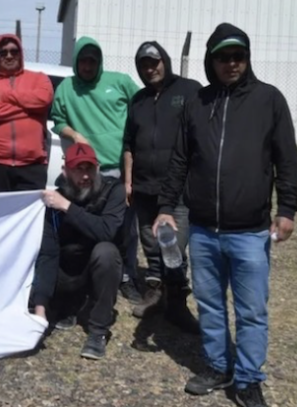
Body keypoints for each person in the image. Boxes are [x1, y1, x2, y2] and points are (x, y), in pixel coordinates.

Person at [154, 23, 297, 407]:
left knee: (251, 311)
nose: (231, 63)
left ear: (247, 58)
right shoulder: (197, 104)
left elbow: (287, 159)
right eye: (223, 56)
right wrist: (166, 208)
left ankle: (249, 379)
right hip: (203, 231)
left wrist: (287, 209)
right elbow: (180, 160)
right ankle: (219, 367)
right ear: (211, 60)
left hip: (250, 233)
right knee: (210, 305)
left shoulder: (269, 100)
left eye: (238, 56)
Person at [51, 36, 142, 304]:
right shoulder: (67, 88)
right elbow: (57, 121)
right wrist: (75, 135)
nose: (88, 66)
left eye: (92, 60)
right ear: (76, 61)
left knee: (127, 227)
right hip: (85, 171)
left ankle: (127, 277)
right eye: (83, 60)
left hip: (119, 168)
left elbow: (143, 107)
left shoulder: (119, 81)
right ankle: (89, 277)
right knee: (84, 225)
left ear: (99, 61)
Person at [122, 41, 201, 333]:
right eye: (143, 64)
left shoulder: (189, 91)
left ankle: (177, 304)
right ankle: (155, 293)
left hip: (178, 191)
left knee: (173, 249)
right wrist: (128, 180)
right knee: (152, 247)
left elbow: (202, 133)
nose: (150, 68)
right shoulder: (139, 100)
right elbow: (128, 143)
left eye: (154, 62)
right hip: (143, 189)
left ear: (165, 61)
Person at [36, 142, 125, 360]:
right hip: (65, 270)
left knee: (107, 253)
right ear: (65, 171)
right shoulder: (53, 201)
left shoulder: (114, 190)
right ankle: (65, 306)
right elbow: (47, 254)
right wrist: (40, 309)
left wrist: (67, 207)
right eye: (78, 169)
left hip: (94, 267)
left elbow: (106, 231)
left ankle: (98, 332)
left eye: (89, 169)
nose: (85, 176)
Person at [0, 34, 54, 192]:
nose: (9, 56)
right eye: (3, 52)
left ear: (21, 53)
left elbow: (44, 100)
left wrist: (5, 97)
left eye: (14, 51)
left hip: (32, 167)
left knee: (29, 217)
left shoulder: (40, 79)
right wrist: (30, 111)